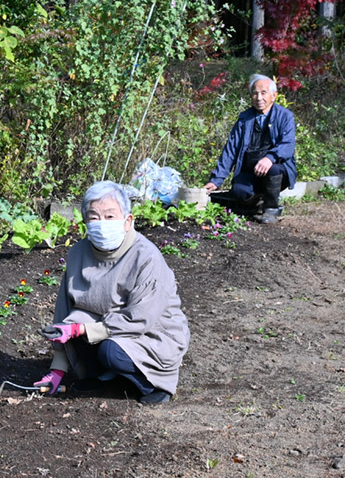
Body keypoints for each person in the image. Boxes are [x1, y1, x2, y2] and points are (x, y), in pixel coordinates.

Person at [35, 181, 189, 404]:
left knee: (111, 351)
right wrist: (58, 368)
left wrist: (83, 329)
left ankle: (152, 384)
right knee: (73, 323)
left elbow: (140, 319)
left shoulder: (146, 257)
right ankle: (102, 377)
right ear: (85, 221)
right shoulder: (78, 253)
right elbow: (63, 310)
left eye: (109, 217)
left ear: (127, 221)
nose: (101, 224)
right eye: (94, 217)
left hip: (153, 332)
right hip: (108, 325)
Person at [203, 74, 296, 224]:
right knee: (239, 192)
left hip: (276, 170)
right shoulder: (244, 118)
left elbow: (288, 145)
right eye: (255, 93)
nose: (259, 98)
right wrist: (216, 180)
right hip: (250, 170)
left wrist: (269, 158)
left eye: (263, 93)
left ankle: (271, 209)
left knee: (274, 170)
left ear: (274, 96)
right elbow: (231, 149)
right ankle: (257, 203)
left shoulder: (285, 116)